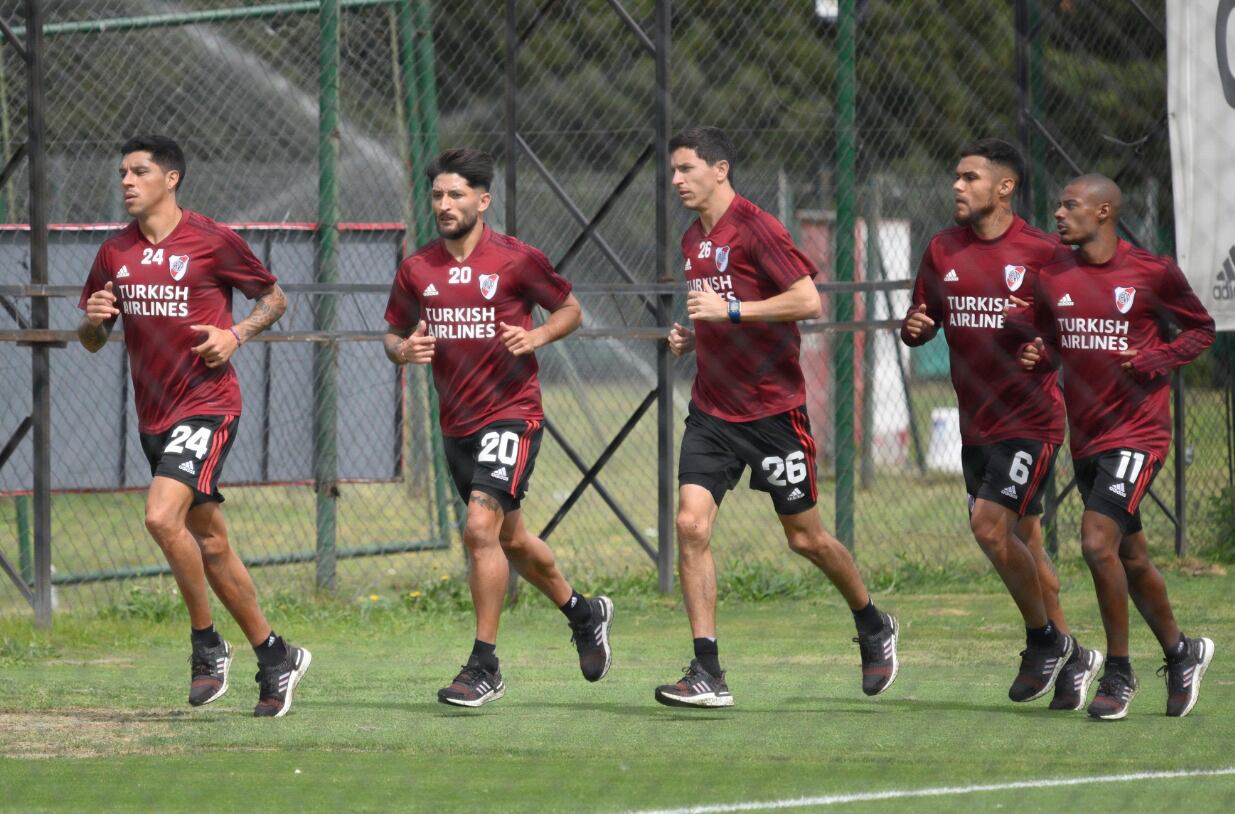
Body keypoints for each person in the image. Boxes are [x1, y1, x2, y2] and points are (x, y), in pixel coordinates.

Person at [657, 126, 898, 708]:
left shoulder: (757, 226)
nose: (676, 180)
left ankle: (872, 622)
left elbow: (807, 300)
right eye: (673, 171)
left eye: (687, 168)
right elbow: (717, 312)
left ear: (720, 169)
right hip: (712, 411)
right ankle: (707, 670)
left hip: (772, 413)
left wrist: (731, 310)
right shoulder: (692, 239)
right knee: (690, 525)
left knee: (805, 538)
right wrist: (694, 335)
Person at [77, 135, 311, 718]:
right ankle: (276, 655)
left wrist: (235, 334)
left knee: (161, 517)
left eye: (139, 171)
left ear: (171, 178)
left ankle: (207, 643)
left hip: (208, 406)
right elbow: (92, 340)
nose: (127, 181)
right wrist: (94, 322)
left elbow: (275, 299)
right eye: (123, 172)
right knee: (210, 543)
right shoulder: (114, 252)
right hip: (153, 417)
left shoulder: (211, 240)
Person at [383, 147, 613, 708]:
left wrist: (537, 336)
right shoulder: (417, 268)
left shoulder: (516, 259)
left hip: (512, 413)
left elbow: (570, 310)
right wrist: (403, 350)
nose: (444, 204)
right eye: (437, 195)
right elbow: (392, 334)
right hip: (456, 423)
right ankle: (584, 613)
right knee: (511, 539)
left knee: (479, 529)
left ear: (483, 201)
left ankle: (484, 665)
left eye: (456, 194)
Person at [900, 139, 1100, 709]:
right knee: (1027, 543)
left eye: (970, 177)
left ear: (1004, 187)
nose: (957, 186)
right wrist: (915, 328)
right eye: (956, 177)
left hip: (1030, 420)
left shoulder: (1045, 252)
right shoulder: (942, 248)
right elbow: (923, 317)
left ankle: (1044, 641)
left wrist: (1047, 347)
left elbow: (1082, 323)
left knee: (989, 528)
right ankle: (1075, 656)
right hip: (976, 425)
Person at [1017, 173, 1216, 720]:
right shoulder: (1053, 275)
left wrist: (1156, 360)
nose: (1059, 215)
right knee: (1131, 556)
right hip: (1087, 438)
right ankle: (1182, 652)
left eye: (1070, 206)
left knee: (1095, 543)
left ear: (1104, 212)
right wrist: (1040, 353)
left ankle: (1120, 673)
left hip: (1139, 433)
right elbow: (1051, 338)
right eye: (1059, 206)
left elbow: (1200, 330)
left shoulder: (1152, 272)